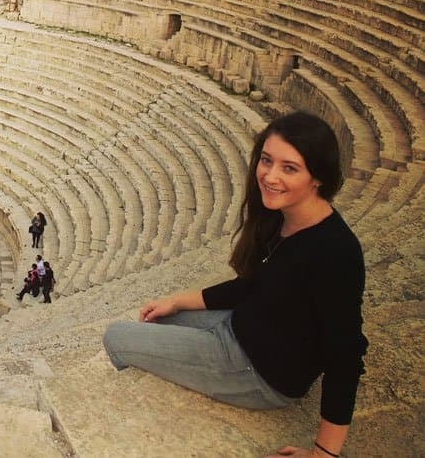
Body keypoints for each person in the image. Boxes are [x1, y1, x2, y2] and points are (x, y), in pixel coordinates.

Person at [102, 112, 367, 458]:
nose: (270, 176)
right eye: (267, 160)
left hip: (258, 373)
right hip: (239, 327)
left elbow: (345, 355)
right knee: (156, 317)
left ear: (317, 177)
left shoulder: (335, 252)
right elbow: (253, 286)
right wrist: (179, 301)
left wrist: (323, 453)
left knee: (117, 337)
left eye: (289, 168)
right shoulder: (281, 216)